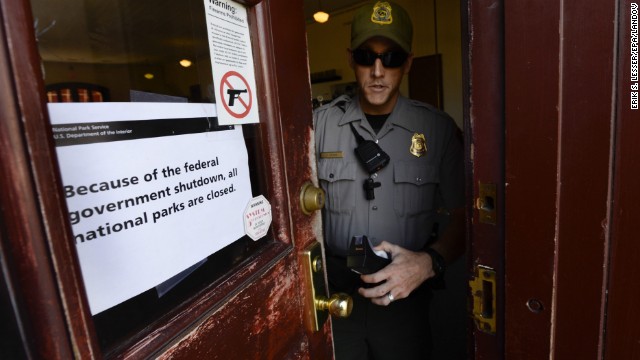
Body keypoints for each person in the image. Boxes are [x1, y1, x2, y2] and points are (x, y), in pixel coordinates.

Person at [313, 1, 465, 359]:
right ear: (352, 58)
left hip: (404, 303)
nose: (378, 70)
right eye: (367, 56)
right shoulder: (318, 127)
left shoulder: (437, 129)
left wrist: (429, 263)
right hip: (335, 299)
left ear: (408, 62)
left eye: (392, 58)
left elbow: (466, 218)